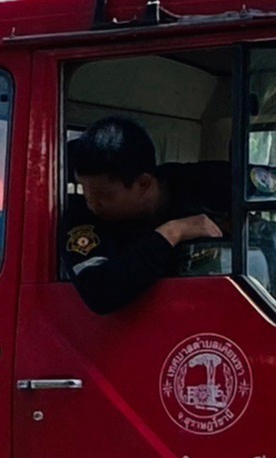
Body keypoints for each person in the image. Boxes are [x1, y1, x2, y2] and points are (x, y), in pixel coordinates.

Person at [61, 116, 230, 314]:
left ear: (144, 184)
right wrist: (171, 233)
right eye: (84, 190)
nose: (91, 203)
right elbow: (100, 292)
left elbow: (269, 189)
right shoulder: (81, 218)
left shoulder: (203, 183)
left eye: (103, 195)